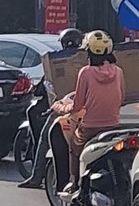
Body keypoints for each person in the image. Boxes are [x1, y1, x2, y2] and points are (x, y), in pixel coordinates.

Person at [55, 30, 124, 200]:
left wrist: (60, 107)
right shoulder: (119, 71)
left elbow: (77, 106)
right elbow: (121, 98)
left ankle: (73, 182)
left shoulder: (85, 72)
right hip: (114, 126)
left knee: (74, 146)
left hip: (90, 128)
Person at [18, 28, 88, 190]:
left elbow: (44, 87)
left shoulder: (56, 62)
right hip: (90, 110)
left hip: (66, 109)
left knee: (44, 139)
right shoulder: (88, 60)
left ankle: (36, 178)